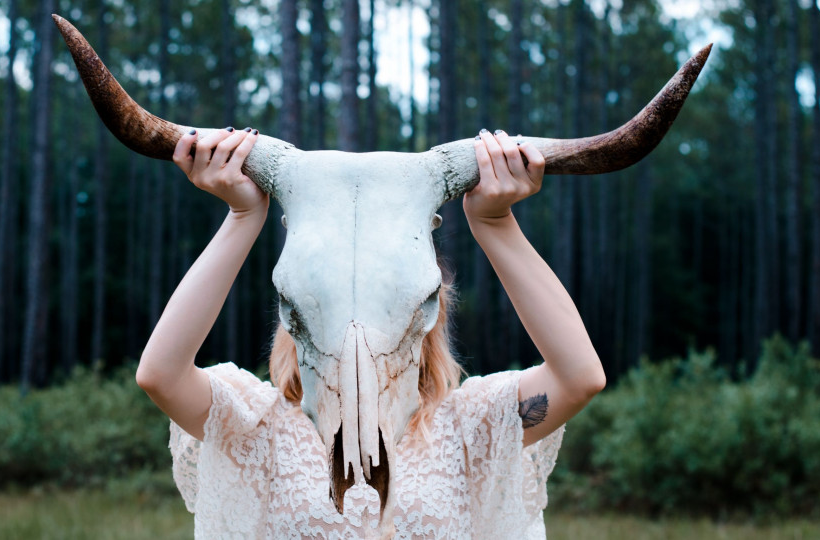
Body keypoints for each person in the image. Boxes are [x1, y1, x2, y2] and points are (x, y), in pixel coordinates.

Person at [135, 126, 606, 539]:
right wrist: (242, 218)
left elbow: (578, 378)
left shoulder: (468, 431)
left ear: (428, 306)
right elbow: (162, 375)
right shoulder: (259, 428)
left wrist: (495, 223)